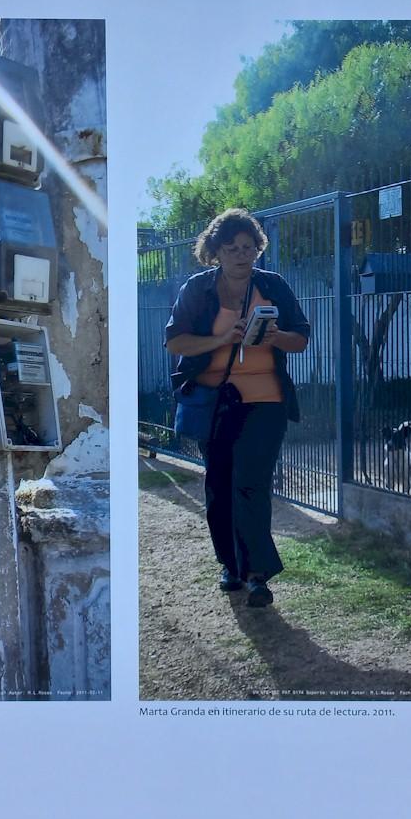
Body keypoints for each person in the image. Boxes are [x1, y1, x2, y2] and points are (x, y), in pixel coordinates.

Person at [165, 209, 310, 608]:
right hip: (215, 403)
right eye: (231, 249)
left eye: (249, 248)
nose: (241, 256)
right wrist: (222, 339)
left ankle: (257, 574)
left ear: (258, 249)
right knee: (220, 485)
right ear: (216, 251)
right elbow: (176, 343)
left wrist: (275, 335)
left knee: (251, 483)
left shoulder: (273, 286)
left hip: (266, 401)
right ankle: (229, 565)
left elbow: (302, 338)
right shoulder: (198, 290)